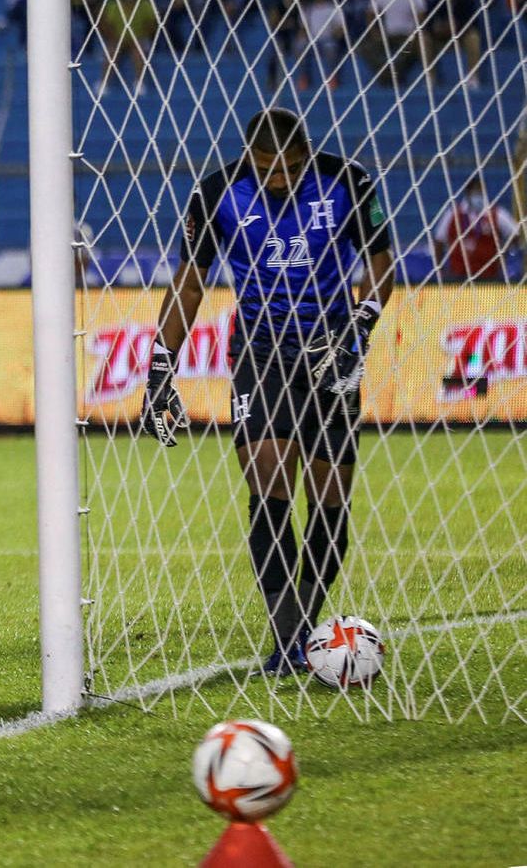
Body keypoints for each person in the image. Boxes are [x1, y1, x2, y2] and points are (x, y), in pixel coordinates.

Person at [142, 108, 394, 675]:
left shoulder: (349, 179)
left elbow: (380, 264)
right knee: (269, 479)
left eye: (288, 169)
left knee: (330, 496)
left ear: (306, 152)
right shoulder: (216, 192)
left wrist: (362, 321)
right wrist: (162, 365)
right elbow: (190, 280)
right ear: (249, 159)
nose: (277, 179)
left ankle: (305, 622)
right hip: (259, 353)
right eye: (265, 170)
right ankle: (287, 641)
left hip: (332, 352)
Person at [435, 174, 518, 282]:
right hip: (458, 276)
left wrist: (503, 253)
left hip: (489, 277)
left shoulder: (497, 213)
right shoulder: (452, 214)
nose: (478, 195)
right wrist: (439, 269)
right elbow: (439, 241)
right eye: (475, 191)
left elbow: (516, 233)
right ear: (468, 193)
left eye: (480, 191)